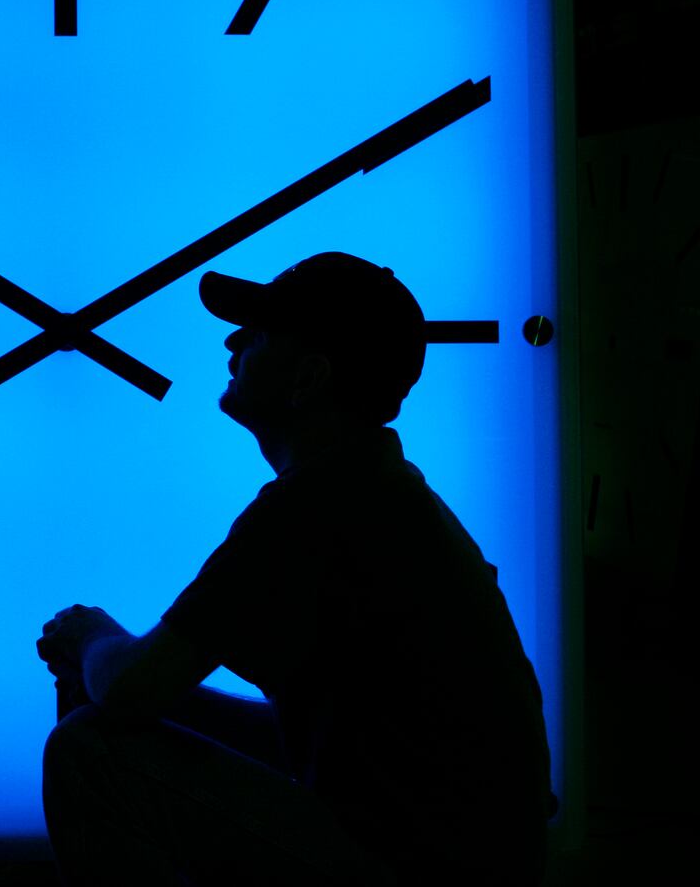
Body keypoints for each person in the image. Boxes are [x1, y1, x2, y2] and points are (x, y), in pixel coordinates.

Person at [36, 252, 554, 886]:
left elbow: (129, 689)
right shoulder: (381, 494)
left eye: (258, 332)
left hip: (413, 870)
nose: (233, 340)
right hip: (464, 861)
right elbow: (311, 747)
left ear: (308, 379)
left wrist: (90, 635)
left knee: (87, 753)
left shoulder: (315, 506)